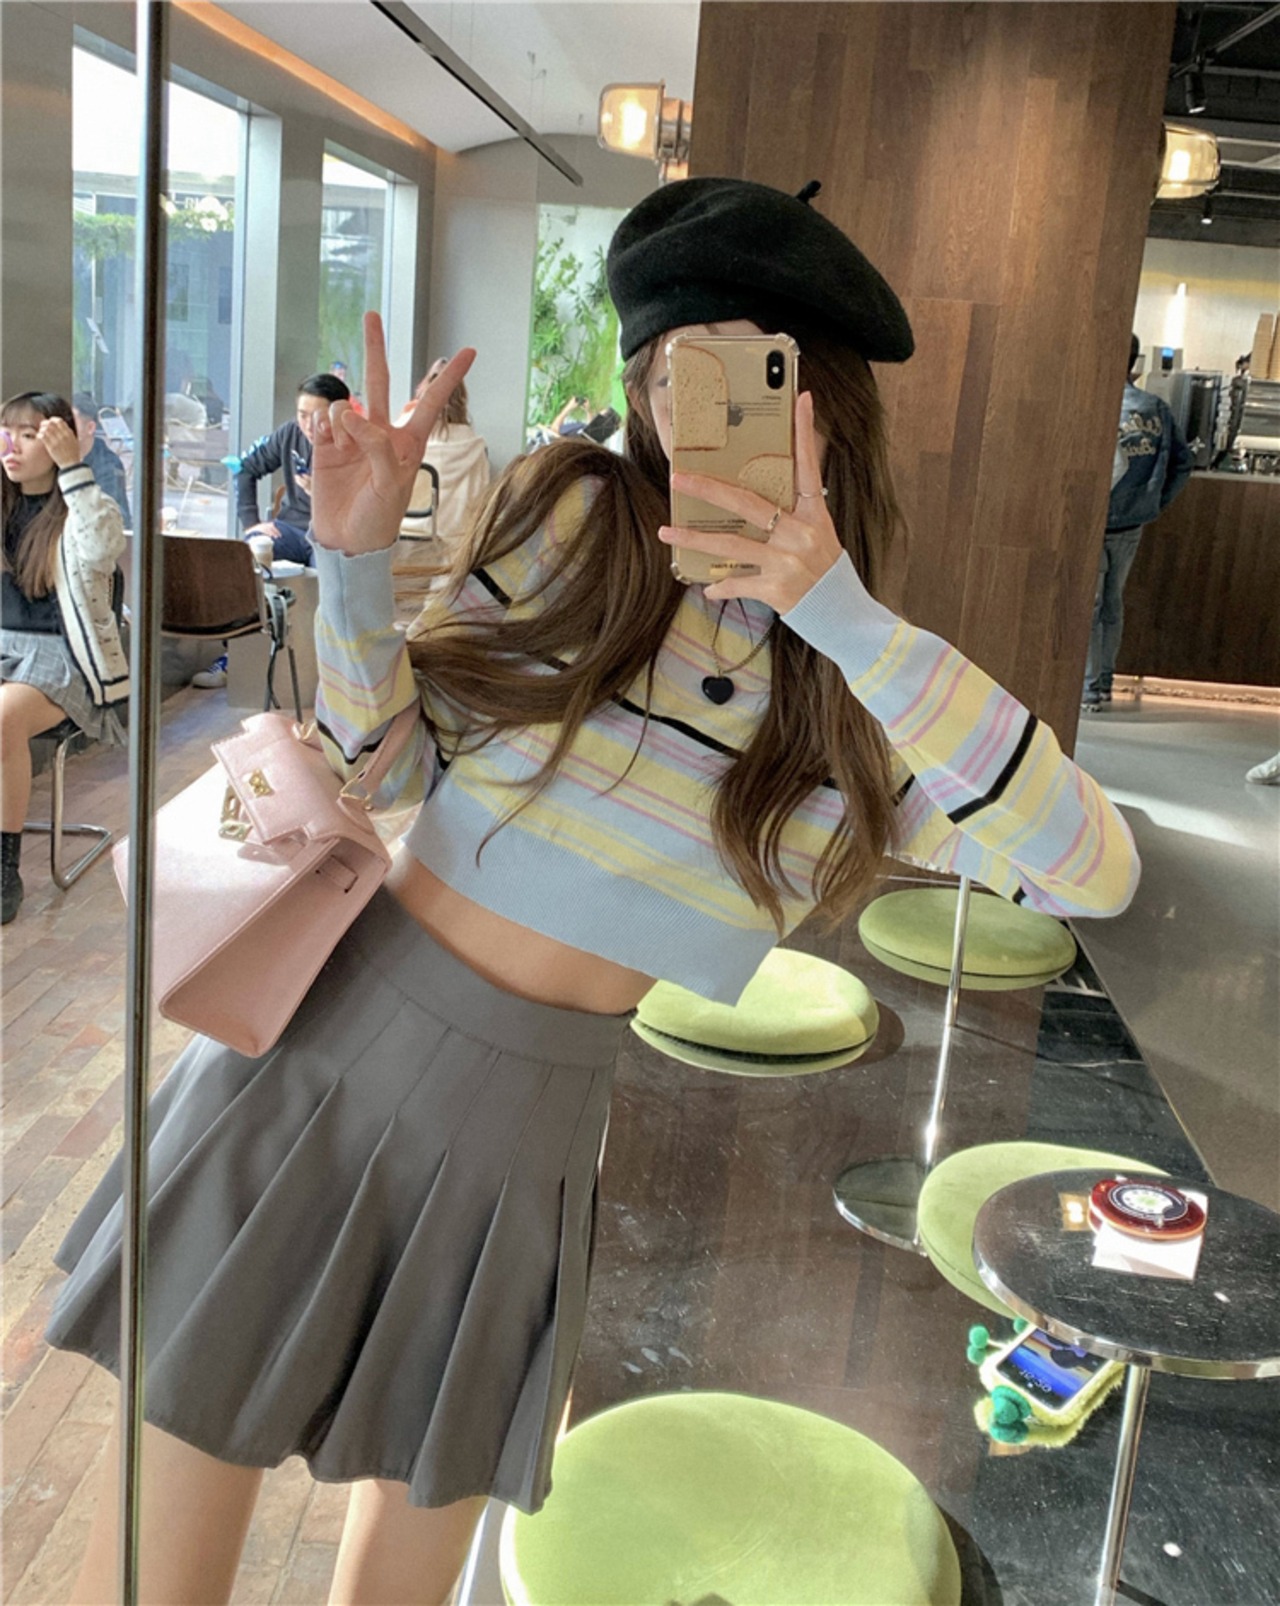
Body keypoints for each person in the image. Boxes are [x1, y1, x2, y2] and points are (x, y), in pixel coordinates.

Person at [46, 178, 1139, 1604]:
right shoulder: (575, 517)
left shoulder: (857, 701)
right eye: (665, 373)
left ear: (820, 401)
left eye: (738, 376)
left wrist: (844, 617)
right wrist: (357, 566)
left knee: (399, 1586)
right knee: (150, 1578)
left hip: (527, 1152)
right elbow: (380, 765)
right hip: (319, 1065)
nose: (690, 413)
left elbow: (1091, 870)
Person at [1, 391, 127, 924]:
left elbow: (104, 547)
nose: (13, 446)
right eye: (7, 433)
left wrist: (74, 468)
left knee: (2, 719)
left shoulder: (83, 507)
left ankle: (5, 868)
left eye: (30, 435)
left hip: (61, 657)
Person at [1082, 334, 1193, 711]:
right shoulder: (1155, 408)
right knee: (1112, 604)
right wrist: (1155, 503)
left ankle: (1091, 689)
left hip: (1094, 521)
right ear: (1135, 361)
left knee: (1091, 606)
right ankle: (1104, 682)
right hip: (1133, 523)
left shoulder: (1095, 406)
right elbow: (1183, 463)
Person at [233, 372, 351, 566]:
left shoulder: (355, 447)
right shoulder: (290, 433)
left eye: (318, 417)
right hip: (289, 529)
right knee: (251, 553)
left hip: (333, 537)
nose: (309, 426)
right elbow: (245, 468)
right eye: (302, 415)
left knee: (328, 572)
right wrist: (251, 523)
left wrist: (320, 493)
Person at [395, 359, 491, 544]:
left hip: (402, 532)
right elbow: (480, 499)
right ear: (461, 396)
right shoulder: (473, 445)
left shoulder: (403, 431)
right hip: (450, 542)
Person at [71, 392, 132, 527]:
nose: (65, 429)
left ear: (90, 428)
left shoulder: (108, 465)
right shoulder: (52, 459)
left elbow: (109, 519)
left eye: (71, 423)